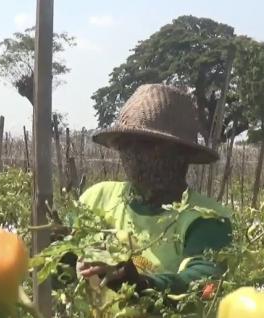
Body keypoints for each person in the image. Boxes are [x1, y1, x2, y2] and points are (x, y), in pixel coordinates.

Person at [58, 84, 233, 295]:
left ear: (183, 154)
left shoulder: (206, 219)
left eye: (149, 144)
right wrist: (59, 255)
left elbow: (204, 281)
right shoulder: (96, 199)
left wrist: (141, 285)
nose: (135, 154)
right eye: (127, 143)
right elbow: (59, 262)